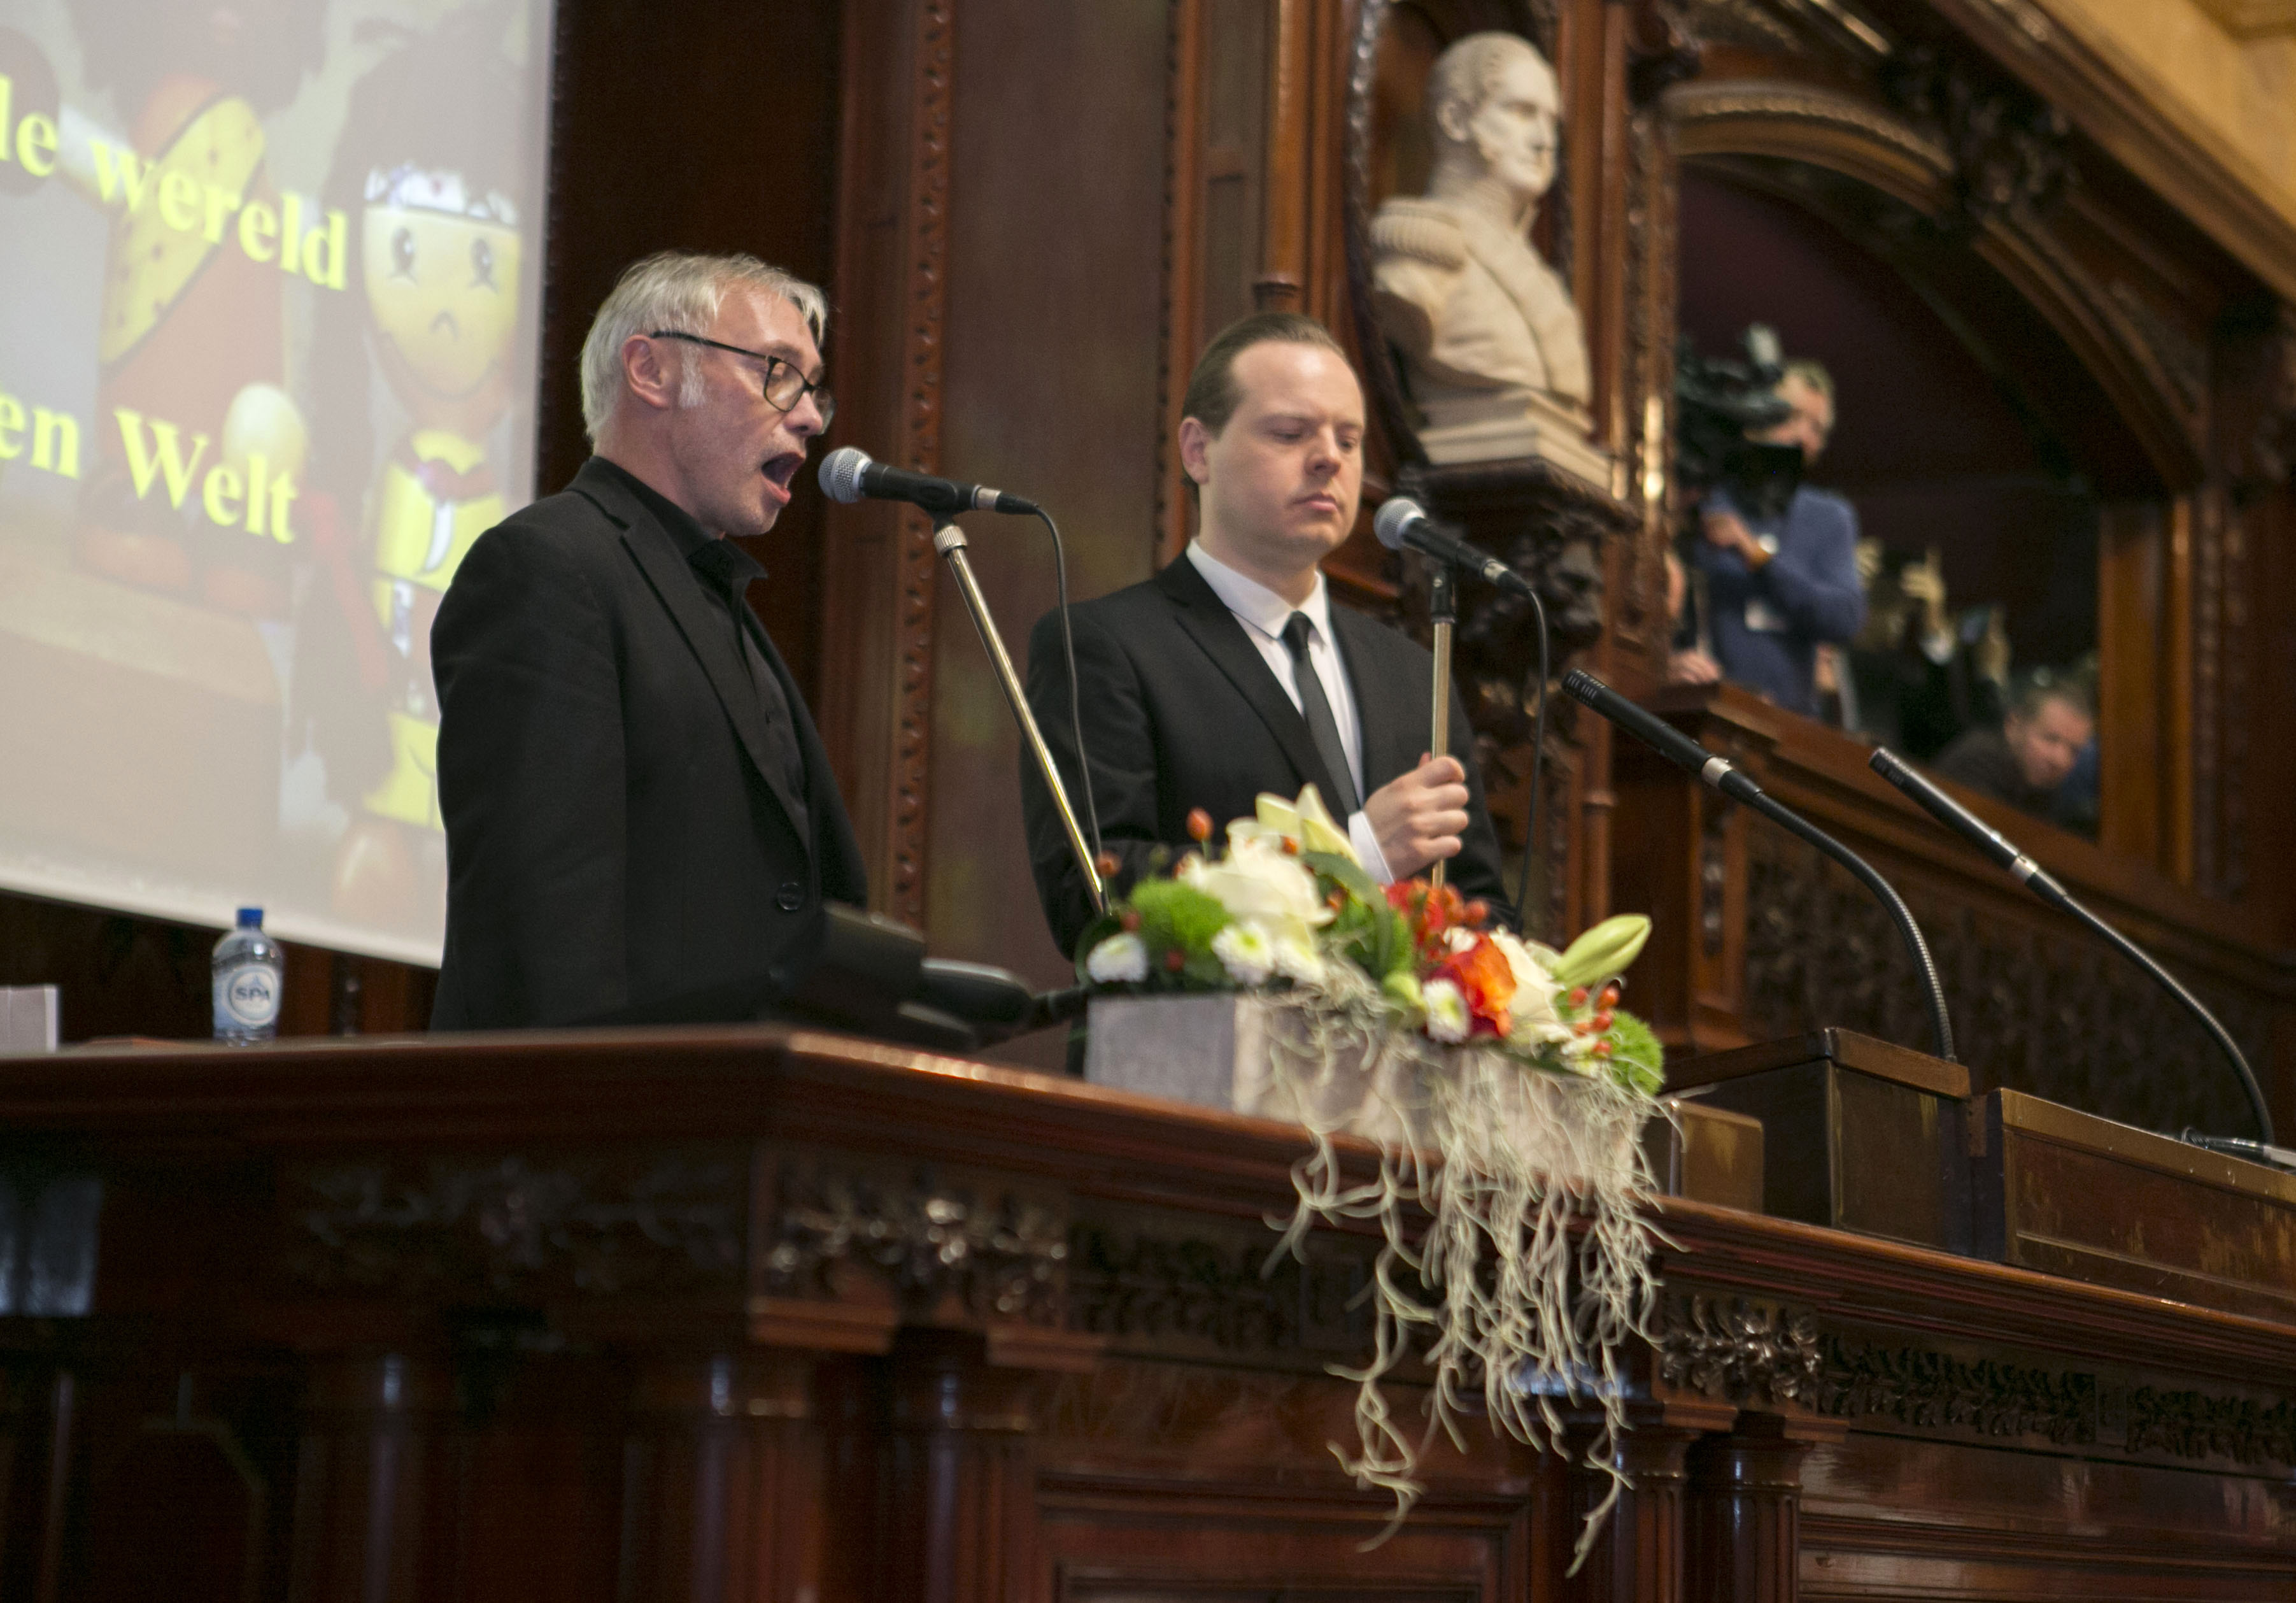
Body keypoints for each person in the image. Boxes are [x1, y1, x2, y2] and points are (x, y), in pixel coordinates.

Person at [429, 252, 863, 1029]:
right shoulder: (547, 568)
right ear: (651, 370)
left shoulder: (720, 599)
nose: (809, 417)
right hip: (606, 1127)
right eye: (778, 373)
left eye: (813, 389)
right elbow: (542, 923)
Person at [1020, 312, 1515, 958]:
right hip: (1189, 1051)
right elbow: (1094, 893)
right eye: (1290, 433)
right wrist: (1356, 855)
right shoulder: (1104, 647)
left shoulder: (1413, 674)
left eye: (1349, 439)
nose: (1329, 459)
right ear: (1199, 450)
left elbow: (1483, 907)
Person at [1689, 361, 1866, 719]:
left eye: (1817, 428)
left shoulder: (1829, 516)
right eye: (1794, 416)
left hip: (1791, 720)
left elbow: (1846, 616)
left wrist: (1755, 554)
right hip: (1711, 707)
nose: (1803, 437)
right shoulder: (1710, 496)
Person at [1931, 672, 2095, 826]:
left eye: (2074, 750)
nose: (2060, 760)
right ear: (2013, 726)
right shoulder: (1977, 760)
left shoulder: (2042, 788)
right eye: (2050, 739)